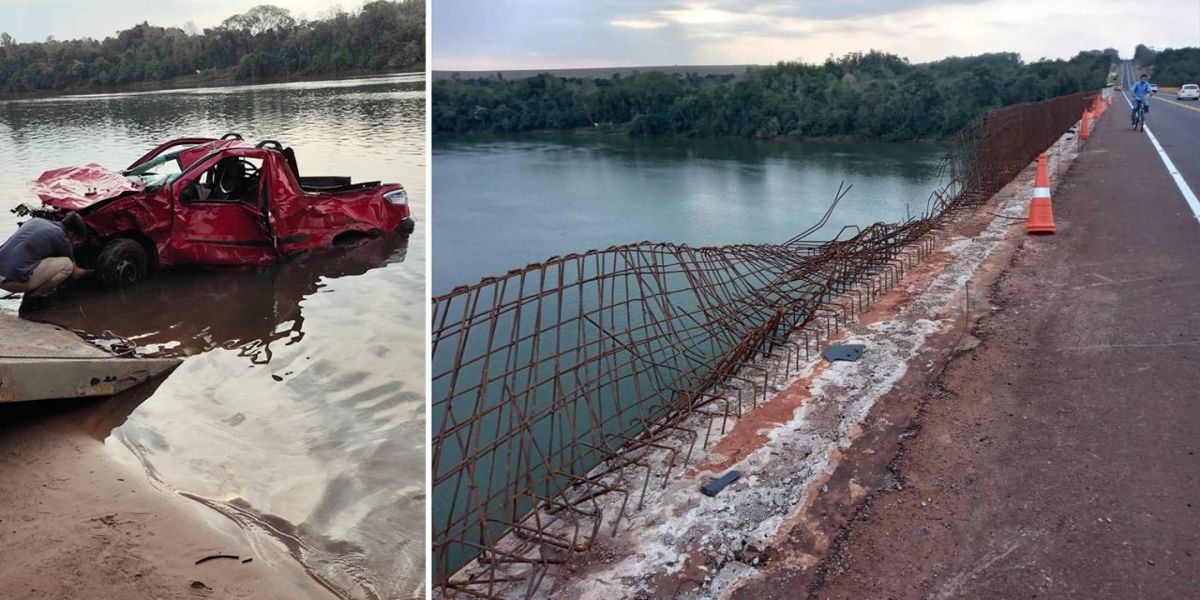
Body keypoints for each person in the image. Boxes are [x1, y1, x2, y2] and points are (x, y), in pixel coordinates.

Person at [0, 213, 91, 298]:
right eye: (78, 238)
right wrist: (94, 272)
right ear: (72, 233)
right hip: (11, 282)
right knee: (67, 265)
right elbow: (75, 274)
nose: (77, 242)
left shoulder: (36, 221)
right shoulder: (63, 238)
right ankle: (36, 297)